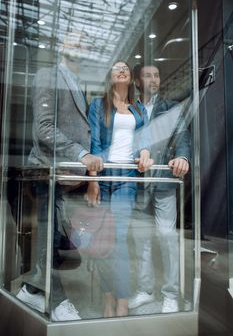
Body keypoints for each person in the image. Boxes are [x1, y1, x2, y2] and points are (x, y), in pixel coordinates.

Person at [16, 32, 103, 321]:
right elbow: (43, 128)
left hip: (64, 176)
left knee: (49, 238)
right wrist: (81, 154)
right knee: (48, 237)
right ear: (61, 47)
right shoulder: (47, 74)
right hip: (46, 170)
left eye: (82, 43)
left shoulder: (76, 83)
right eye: (72, 41)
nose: (78, 45)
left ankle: (30, 290)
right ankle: (58, 300)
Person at [86, 61, 153, 317]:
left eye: (125, 67)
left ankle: (122, 298)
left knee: (119, 239)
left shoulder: (138, 108)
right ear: (110, 77)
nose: (122, 70)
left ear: (130, 77)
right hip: (104, 174)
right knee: (104, 238)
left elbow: (145, 139)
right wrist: (92, 180)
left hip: (127, 176)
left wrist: (145, 152)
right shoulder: (98, 105)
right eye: (116, 68)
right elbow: (93, 142)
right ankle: (108, 296)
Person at [128, 63, 190, 313]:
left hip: (164, 181)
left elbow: (183, 136)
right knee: (141, 239)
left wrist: (184, 158)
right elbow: (124, 139)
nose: (154, 79)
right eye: (147, 75)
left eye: (157, 75)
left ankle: (171, 294)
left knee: (166, 237)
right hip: (139, 182)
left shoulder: (171, 107)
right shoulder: (130, 108)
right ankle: (145, 290)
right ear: (138, 82)